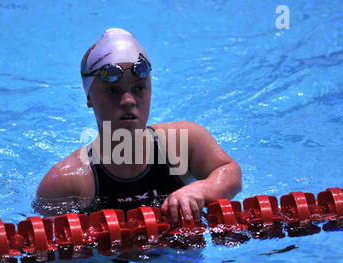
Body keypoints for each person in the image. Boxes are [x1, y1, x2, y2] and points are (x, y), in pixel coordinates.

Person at [34, 28, 242, 225]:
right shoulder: (66, 182)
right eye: (113, 91)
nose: (128, 100)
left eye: (139, 88)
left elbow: (230, 172)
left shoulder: (184, 143)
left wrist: (201, 190)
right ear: (89, 97)